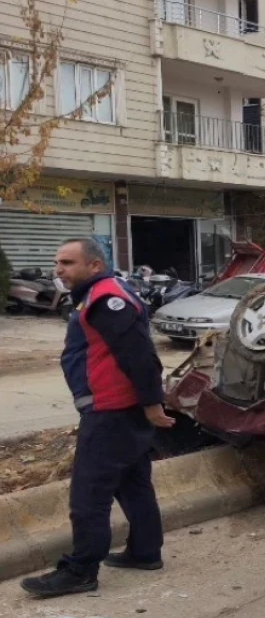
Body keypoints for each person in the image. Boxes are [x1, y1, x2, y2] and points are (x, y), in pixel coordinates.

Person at [22, 239, 175, 598]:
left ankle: (81, 570)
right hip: (122, 409)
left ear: (94, 265)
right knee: (133, 482)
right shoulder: (102, 293)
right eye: (57, 262)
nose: (59, 269)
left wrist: (153, 403)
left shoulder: (106, 298)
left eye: (68, 262)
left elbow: (138, 353)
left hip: (111, 412)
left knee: (89, 493)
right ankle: (145, 551)